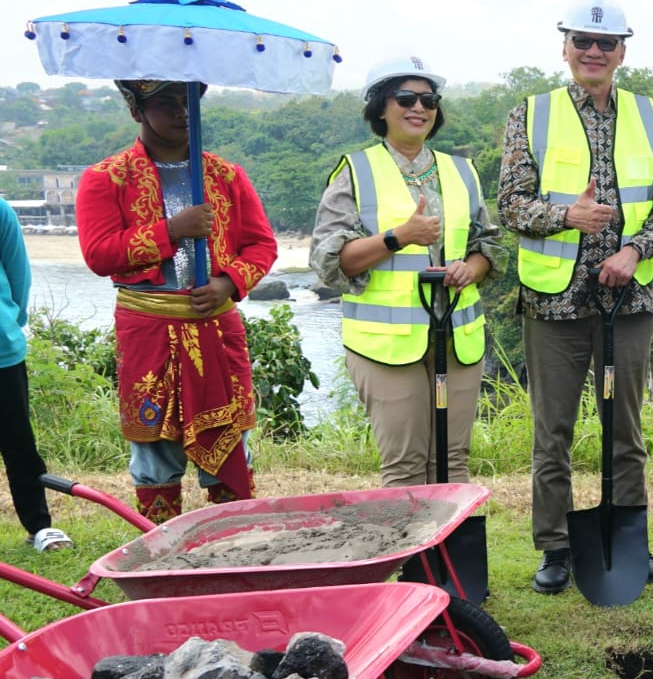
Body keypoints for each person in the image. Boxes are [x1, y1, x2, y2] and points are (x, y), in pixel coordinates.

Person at [498, 0, 653, 594]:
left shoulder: (652, 114)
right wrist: (564, 217)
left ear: (622, 51)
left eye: (606, 43)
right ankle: (554, 547)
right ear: (565, 47)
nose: (594, 52)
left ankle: (630, 538)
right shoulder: (531, 113)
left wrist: (633, 251)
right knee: (551, 432)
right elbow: (510, 206)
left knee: (624, 429)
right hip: (554, 301)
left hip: (629, 299)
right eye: (583, 41)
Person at [77, 80, 277, 523]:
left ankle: (233, 543)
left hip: (216, 328)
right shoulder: (104, 178)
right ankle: (162, 546)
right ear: (136, 110)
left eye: (189, 102)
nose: (183, 113)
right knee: (153, 444)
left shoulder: (226, 175)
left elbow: (262, 246)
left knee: (230, 437)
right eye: (167, 103)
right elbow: (98, 254)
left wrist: (228, 283)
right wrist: (172, 229)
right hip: (148, 329)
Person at [310, 56, 504, 486]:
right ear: (381, 107)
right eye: (406, 98)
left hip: (457, 339)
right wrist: (397, 237)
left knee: (453, 464)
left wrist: (470, 270)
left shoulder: (461, 170)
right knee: (404, 466)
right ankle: (409, 557)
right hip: (386, 347)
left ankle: (449, 555)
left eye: (429, 99)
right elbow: (328, 262)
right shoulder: (355, 172)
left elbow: (489, 245)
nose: (419, 108)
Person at [0, 197, 71, 552]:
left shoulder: (0, 211)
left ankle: (39, 526)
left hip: (1, 350)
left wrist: (10, 324)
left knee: (19, 443)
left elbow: (18, 276)